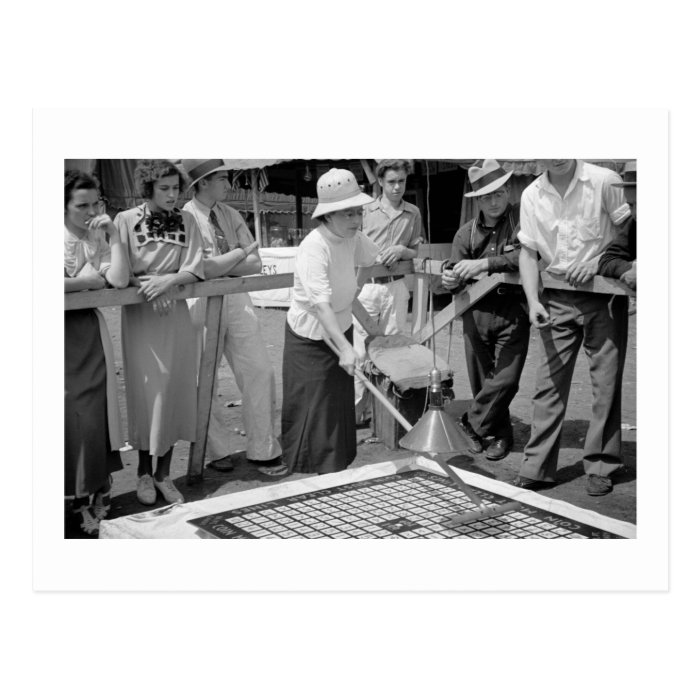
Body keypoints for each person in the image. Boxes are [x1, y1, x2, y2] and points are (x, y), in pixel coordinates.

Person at [513, 159, 631, 496]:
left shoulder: (605, 181)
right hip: (555, 297)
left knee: (605, 385)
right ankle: (536, 466)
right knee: (547, 385)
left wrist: (601, 261)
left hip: (603, 296)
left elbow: (631, 231)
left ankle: (602, 464)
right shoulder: (532, 195)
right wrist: (534, 301)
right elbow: (528, 252)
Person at [181, 159, 284, 477]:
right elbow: (201, 268)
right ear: (203, 183)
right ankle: (217, 450)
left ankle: (263, 448)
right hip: (197, 300)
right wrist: (238, 253)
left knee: (259, 369)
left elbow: (255, 263)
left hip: (237, 296)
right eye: (224, 179)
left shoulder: (231, 214)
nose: (230, 184)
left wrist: (222, 262)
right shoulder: (184, 217)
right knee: (202, 378)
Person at [115, 160, 204, 506]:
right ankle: (142, 473)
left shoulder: (188, 220)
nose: (171, 194)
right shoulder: (125, 220)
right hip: (141, 315)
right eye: (163, 188)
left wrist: (169, 282)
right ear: (148, 188)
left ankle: (165, 473)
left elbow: (194, 266)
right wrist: (149, 286)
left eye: (174, 188)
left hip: (176, 315)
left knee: (177, 389)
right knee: (147, 392)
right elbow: (117, 270)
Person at [282, 169, 379, 474]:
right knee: (314, 407)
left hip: (341, 326)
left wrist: (355, 293)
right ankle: (310, 474)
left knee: (337, 405)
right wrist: (346, 349)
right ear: (329, 215)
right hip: (310, 335)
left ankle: (337, 468)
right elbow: (322, 307)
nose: (356, 220)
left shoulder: (353, 237)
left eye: (358, 212)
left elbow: (368, 262)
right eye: (348, 214)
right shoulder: (314, 247)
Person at [441, 160, 530, 460]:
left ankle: (470, 424)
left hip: (513, 310)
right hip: (475, 314)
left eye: (499, 194)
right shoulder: (464, 235)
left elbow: (527, 255)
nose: (494, 201)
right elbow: (454, 278)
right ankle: (500, 436)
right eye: (487, 196)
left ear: (508, 192)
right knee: (483, 381)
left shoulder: (521, 222)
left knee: (506, 378)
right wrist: (450, 278)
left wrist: (485, 263)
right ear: (478, 199)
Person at [64, 170, 129, 536]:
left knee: (89, 415)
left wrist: (115, 236)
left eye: (95, 204)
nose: (89, 211)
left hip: (86, 335)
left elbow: (118, 279)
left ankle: (88, 493)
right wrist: (86, 282)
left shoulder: (97, 237)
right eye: (81, 205)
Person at [352, 159, 423, 423]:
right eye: (391, 182)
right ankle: (358, 414)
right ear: (380, 182)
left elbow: (417, 250)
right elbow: (352, 246)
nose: (397, 187)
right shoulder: (365, 210)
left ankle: (388, 414)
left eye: (401, 182)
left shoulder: (413, 213)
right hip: (367, 288)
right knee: (360, 350)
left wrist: (403, 251)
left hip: (396, 286)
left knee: (393, 349)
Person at [598, 160, 637, 291]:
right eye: (631, 205)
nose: (635, 213)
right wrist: (630, 269)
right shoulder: (634, 224)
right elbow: (607, 261)